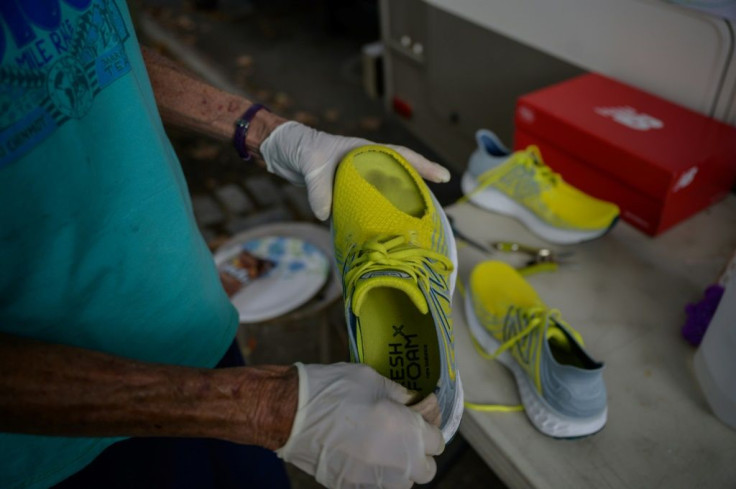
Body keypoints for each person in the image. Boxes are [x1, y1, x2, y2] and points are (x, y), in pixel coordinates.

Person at [0, 1, 452, 488]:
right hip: (65, 447)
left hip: (199, 330)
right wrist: (265, 408)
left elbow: (91, 48)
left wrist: (271, 134)